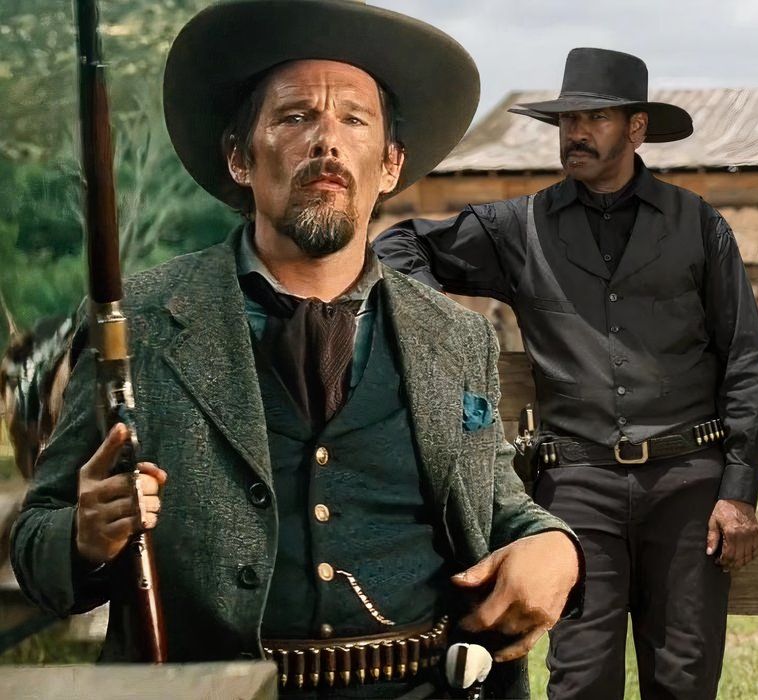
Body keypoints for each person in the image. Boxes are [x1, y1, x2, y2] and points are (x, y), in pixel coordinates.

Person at [10, 2, 581, 697]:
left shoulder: (455, 335)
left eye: (354, 119)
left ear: (391, 163)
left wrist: (557, 546)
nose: (326, 141)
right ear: (238, 158)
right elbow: (35, 542)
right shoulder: (146, 322)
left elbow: (498, 507)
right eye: (294, 117)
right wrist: (81, 536)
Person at [374, 47, 758, 700]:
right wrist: (442, 326)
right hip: (576, 487)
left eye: (595, 119)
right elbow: (398, 246)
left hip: (688, 486)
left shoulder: (698, 225)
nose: (575, 134)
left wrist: (738, 488)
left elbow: (745, 362)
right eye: (566, 121)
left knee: (685, 679)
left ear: (636, 129)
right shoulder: (520, 227)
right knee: (580, 681)